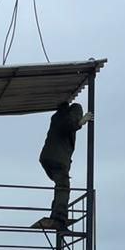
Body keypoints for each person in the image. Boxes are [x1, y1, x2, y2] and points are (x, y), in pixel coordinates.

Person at [32, 98, 92, 231]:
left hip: (48, 158)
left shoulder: (56, 116)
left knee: (60, 185)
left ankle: (57, 214)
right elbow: (69, 125)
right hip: (57, 159)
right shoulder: (69, 114)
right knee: (63, 186)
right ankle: (59, 217)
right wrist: (82, 121)